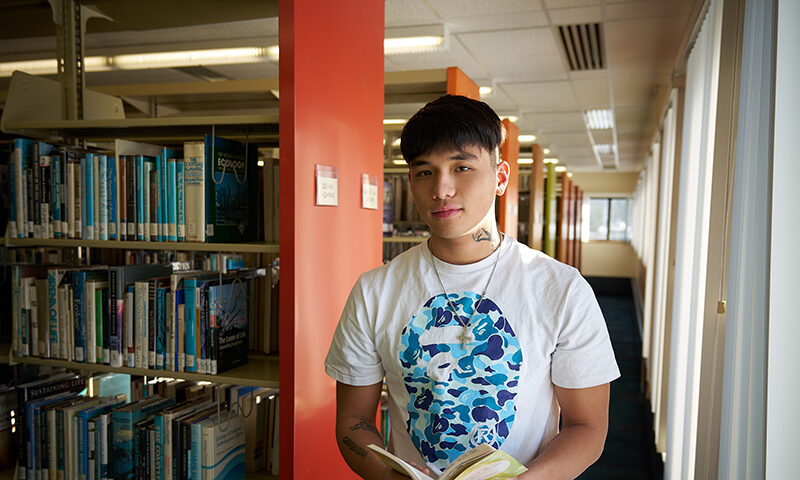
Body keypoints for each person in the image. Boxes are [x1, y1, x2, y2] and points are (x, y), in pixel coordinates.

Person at [325, 94, 620, 480]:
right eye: (424, 171)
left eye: (461, 167)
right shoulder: (373, 291)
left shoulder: (561, 289)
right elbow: (352, 419)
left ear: (500, 178)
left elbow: (588, 427)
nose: (442, 189)